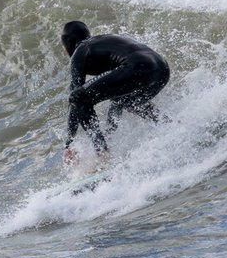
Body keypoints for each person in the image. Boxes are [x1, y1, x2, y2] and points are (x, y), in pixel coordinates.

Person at [60, 20, 170, 166]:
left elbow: (75, 98)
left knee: (77, 97)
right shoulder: (101, 42)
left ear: (69, 43)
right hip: (161, 69)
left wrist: (69, 143)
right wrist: (109, 131)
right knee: (124, 100)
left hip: (137, 66)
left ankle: (102, 153)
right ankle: (169, 126)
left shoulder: (80, 50)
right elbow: (116, 98)